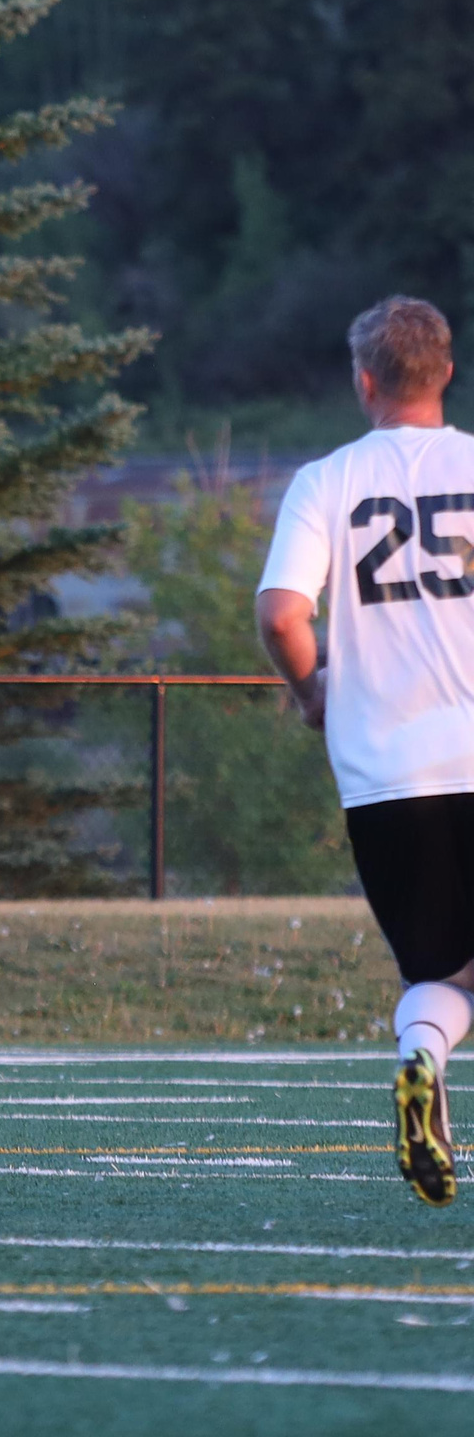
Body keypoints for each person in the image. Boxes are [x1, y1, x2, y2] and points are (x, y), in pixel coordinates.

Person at [258, 296, 474, 1208]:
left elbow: (280, 613)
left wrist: (313, 692)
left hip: (386, 774)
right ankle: (424, 1058)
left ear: (364, 382)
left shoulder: (326, 480)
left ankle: (421, 1056)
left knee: (441, 972)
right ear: (447, 372)